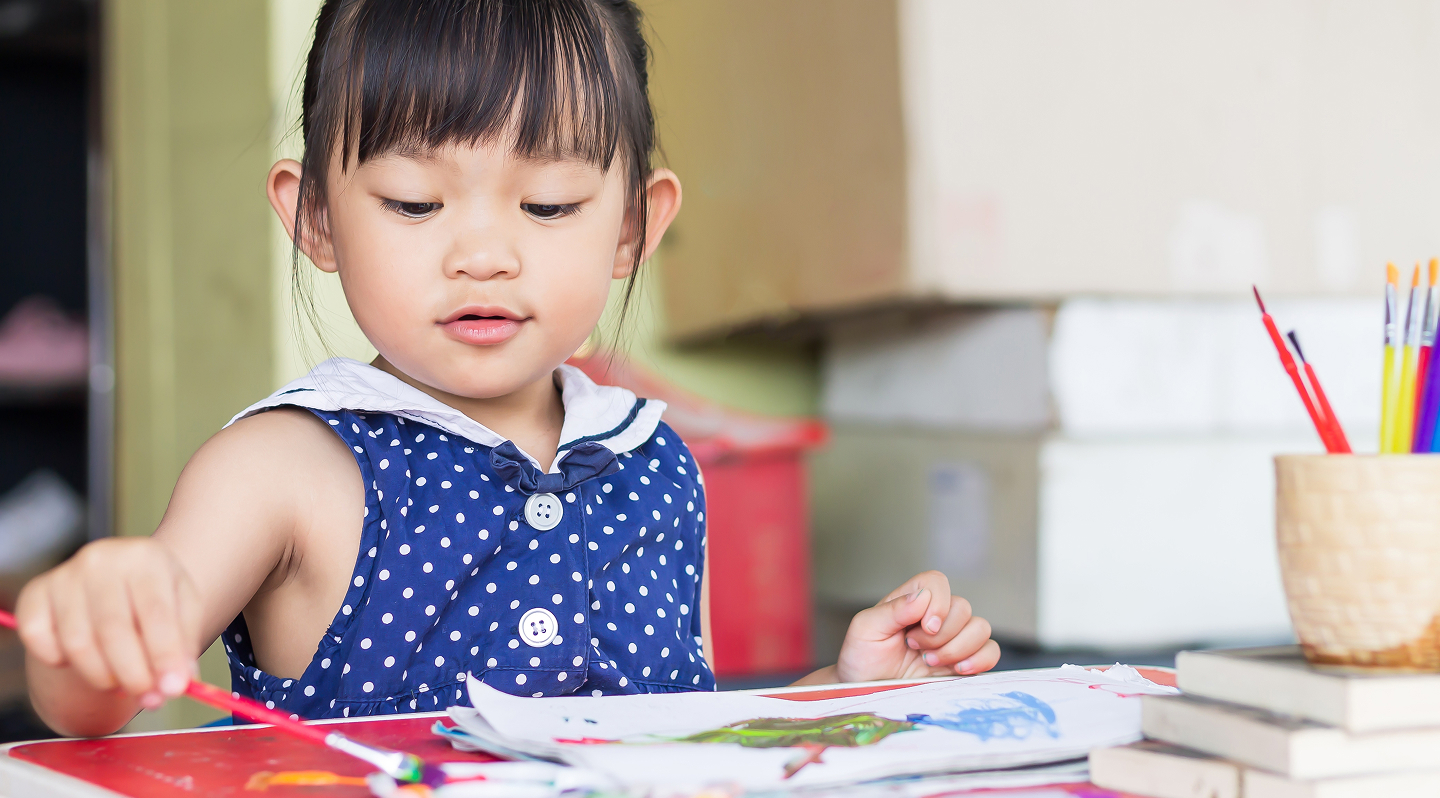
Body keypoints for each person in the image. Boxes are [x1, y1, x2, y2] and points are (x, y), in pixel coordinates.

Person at [16, 0, 999, 737]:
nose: (482, 255)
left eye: (549, 206)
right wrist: (92, 619)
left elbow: (678, 744)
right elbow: (94, 701)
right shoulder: (283, 466)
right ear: (316, 215)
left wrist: (846, 697)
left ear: (633, 226)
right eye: (413, 203)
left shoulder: (654, 465)